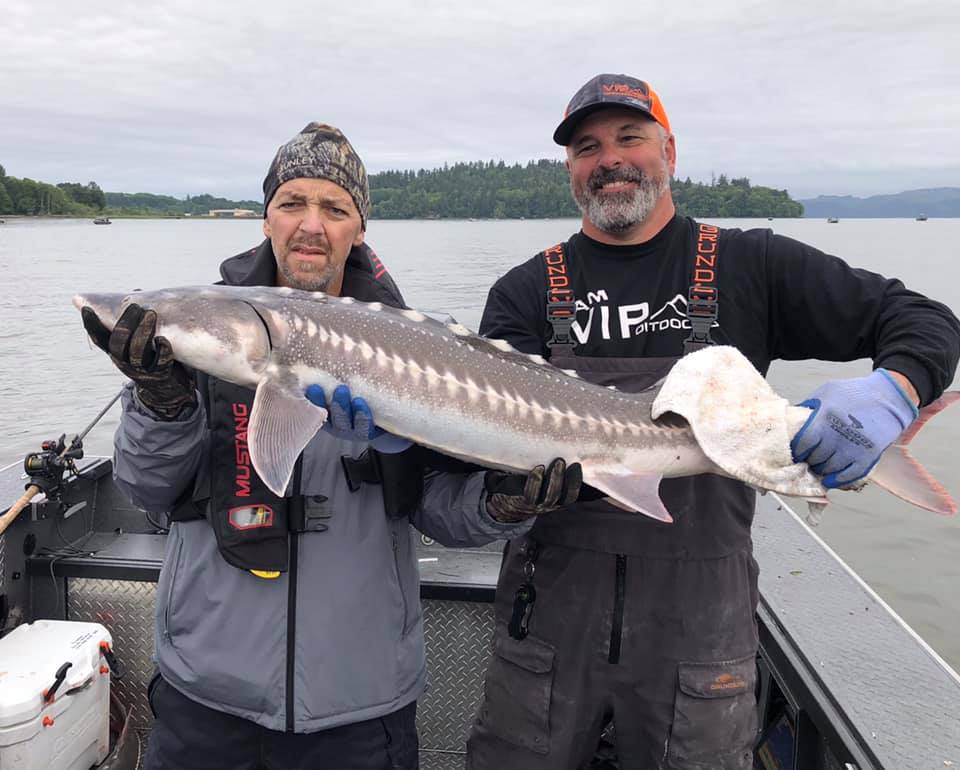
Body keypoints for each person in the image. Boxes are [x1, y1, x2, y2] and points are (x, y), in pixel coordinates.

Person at [464, 74, 960, 769]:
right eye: (587, 146)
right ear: (571, 170)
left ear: (670, 151)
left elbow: (923, 319)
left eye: (630, 138)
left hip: (698, 638)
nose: (609, 158)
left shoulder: (747, 263)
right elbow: (485, 458)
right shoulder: (524, 291)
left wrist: (894, 390)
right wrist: (505, 486)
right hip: (547, 628)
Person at [80, 122, 555, 770]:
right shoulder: (194, 336)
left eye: (334, 208)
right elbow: (145, 488)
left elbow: (440, 512)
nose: (312, 224)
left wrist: (503, 504)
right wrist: (165, 403)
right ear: (266, 218)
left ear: (358, 228)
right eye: (292, 202)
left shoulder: (417, 347)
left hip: (359, 712)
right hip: (206, 698)